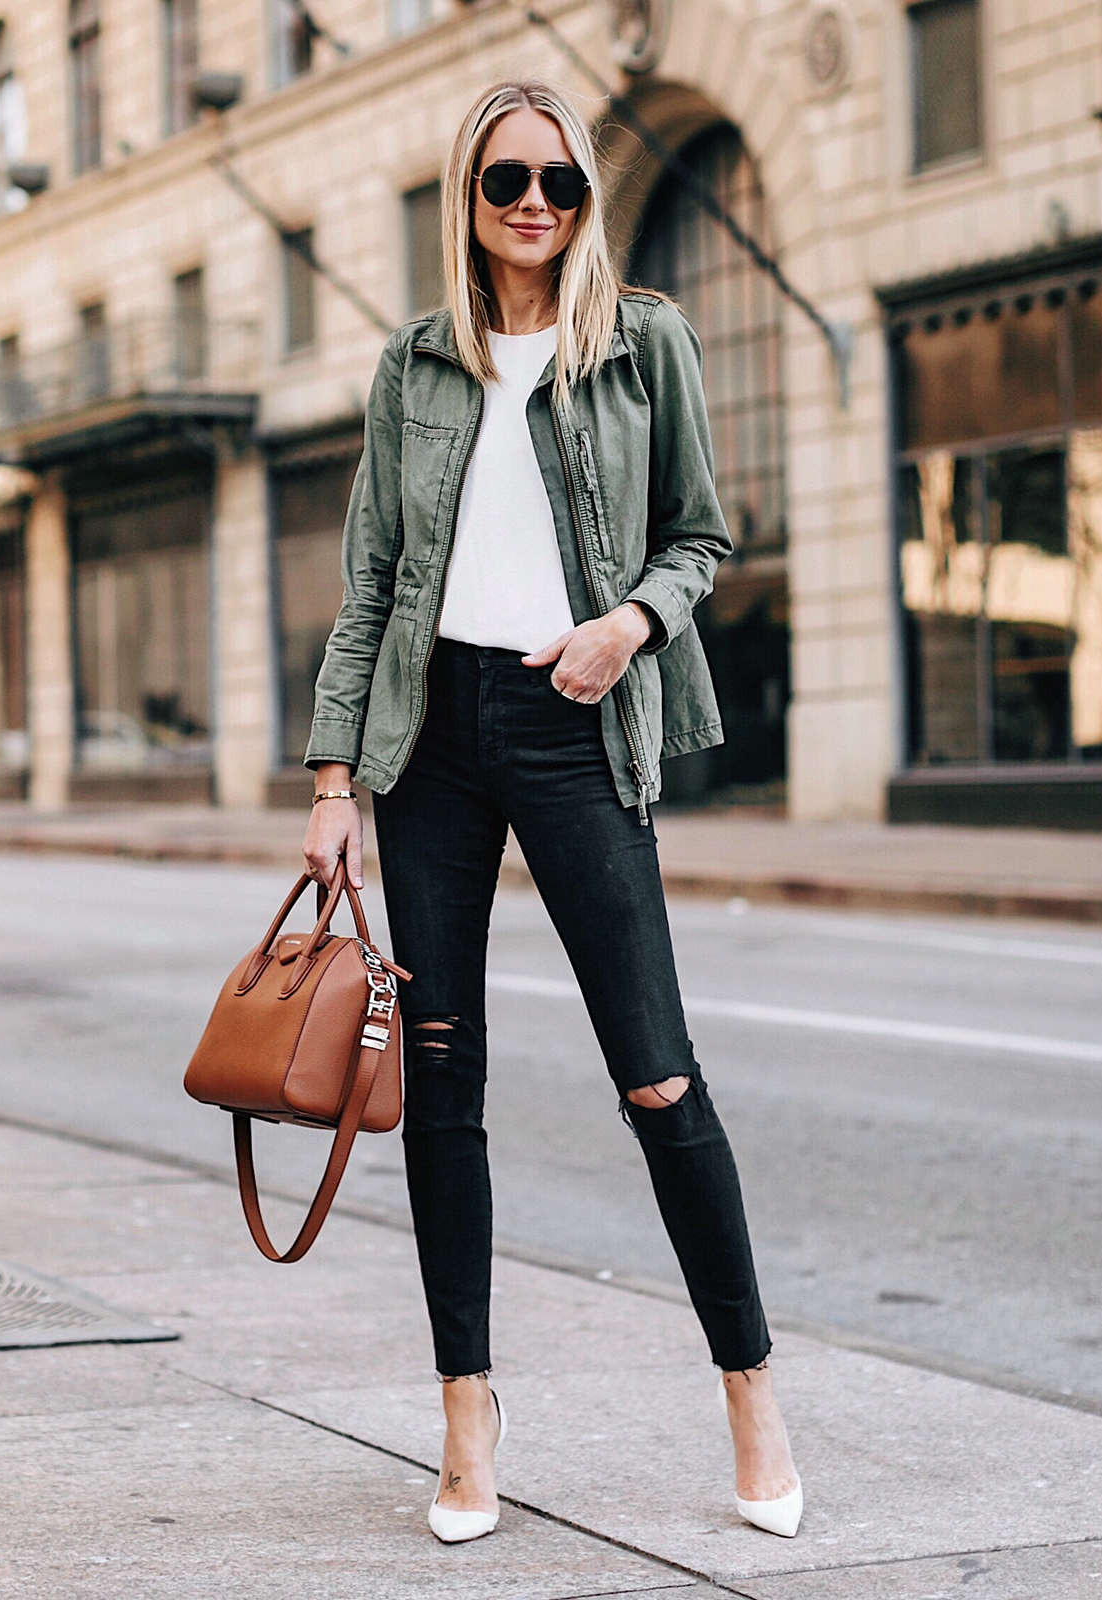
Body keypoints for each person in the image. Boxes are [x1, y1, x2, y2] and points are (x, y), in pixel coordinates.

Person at [302, 79, 802, 1544]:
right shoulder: (412, 366)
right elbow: (375, 582)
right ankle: (466, 1426)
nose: (537, 203)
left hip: (580, 722)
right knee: (441, 1091)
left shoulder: (645, 342)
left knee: (657, 1075)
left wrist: (628, 625)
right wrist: (333, 781)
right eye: (510, 179)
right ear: (469, 194)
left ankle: (752, 1390)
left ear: (586, 197)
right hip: (432, 738)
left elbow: (701, 532)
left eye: (563, 182)